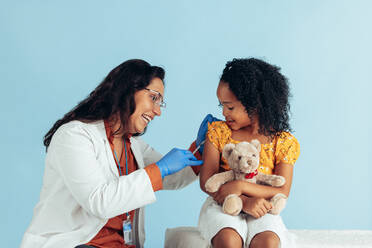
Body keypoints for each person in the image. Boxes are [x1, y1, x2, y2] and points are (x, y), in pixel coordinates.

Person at [20, 59, 215, 248]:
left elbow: (171, 177)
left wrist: (199, 149)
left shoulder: (133, 145)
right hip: (77, 243)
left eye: (160, 103)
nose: (158, 111)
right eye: (153, 98)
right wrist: (160, 168)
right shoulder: (74, 136)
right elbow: (99, 202)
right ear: (128, 90)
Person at [198, 58, 300, 248]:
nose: (224, 113)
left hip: (264, 208)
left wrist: (240, 187)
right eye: (221, 106)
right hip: (223, 205)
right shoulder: (219, 132)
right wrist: (242, 201)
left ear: (255, 104)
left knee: (268, 242)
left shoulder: (283, 142)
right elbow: (207, 182)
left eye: (230, 107)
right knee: (228, 240)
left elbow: (282, 190)